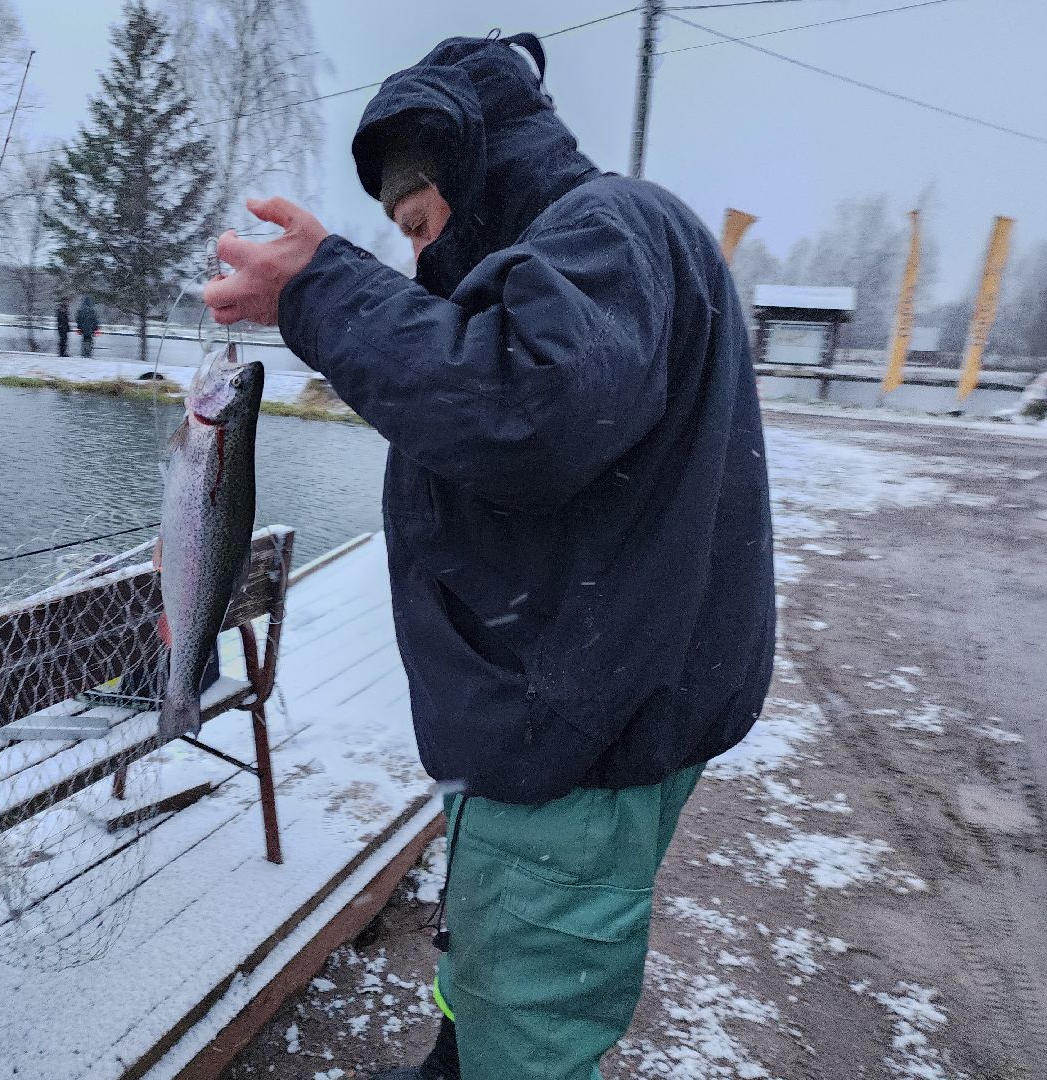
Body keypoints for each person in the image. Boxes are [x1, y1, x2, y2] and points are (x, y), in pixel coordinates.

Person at [204, 31, 775, 1080]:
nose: (419, 258)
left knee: (532, 1016)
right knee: (493, 941)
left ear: (479, 172)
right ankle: (454, 1064)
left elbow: (522, 407)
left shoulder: (613, 228)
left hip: (575, 739)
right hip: (560, 715)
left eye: (421, 225)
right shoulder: (585, 257)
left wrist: (324, 293)